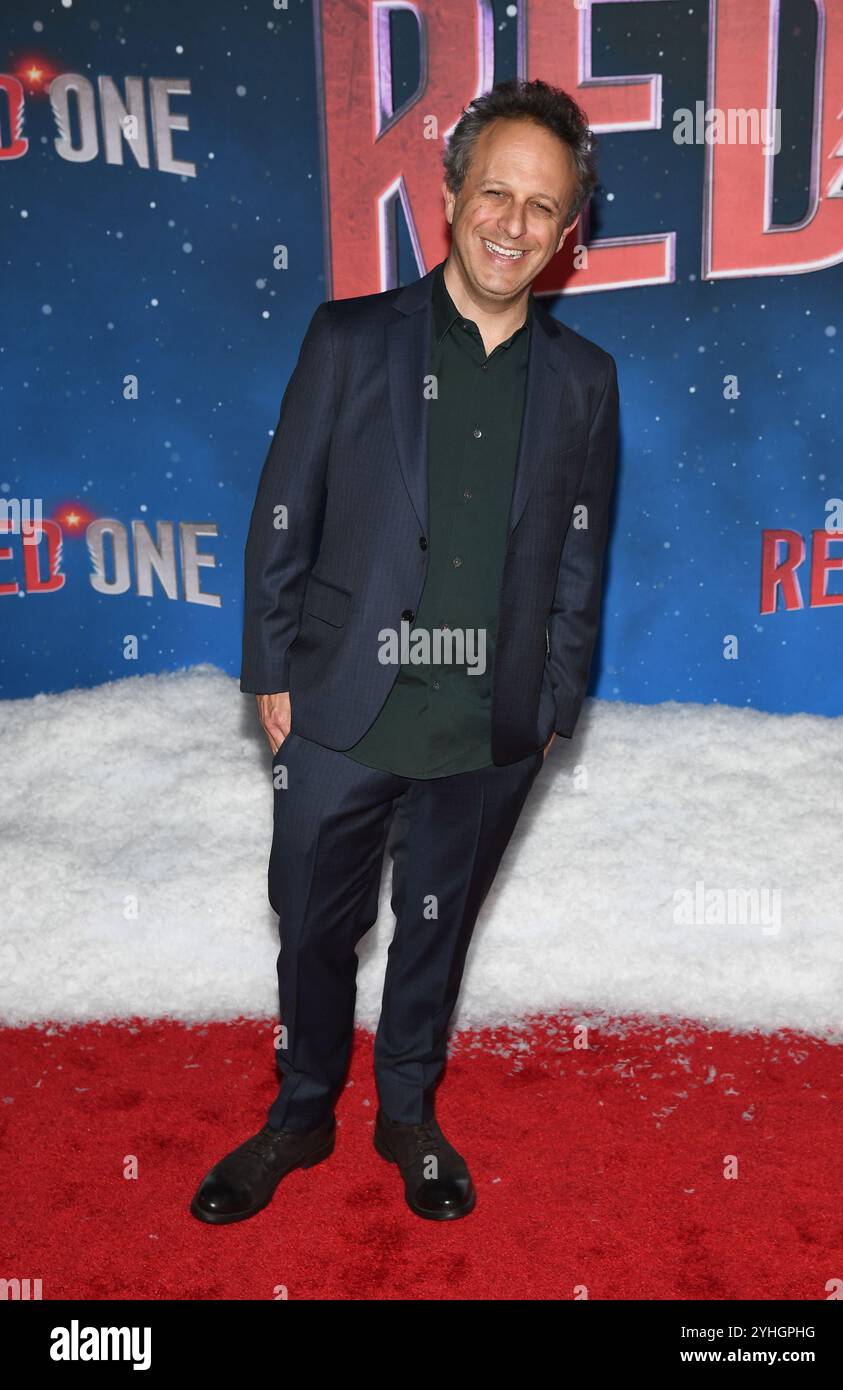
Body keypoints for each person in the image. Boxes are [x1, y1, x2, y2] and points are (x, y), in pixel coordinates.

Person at [191, 77, 619, 1225]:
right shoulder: (348, 338)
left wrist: (553, 701)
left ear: (567, 230)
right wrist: (271, 669)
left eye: (544, 207)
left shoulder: (584, 382)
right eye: (495, 193)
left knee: (438, 926)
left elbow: (582, 554)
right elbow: (283, 509)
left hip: (488, 726)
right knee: (311, 922)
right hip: (341, 704)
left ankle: (409, 1112)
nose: (514, 225)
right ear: (448, 196)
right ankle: (298, 1112)